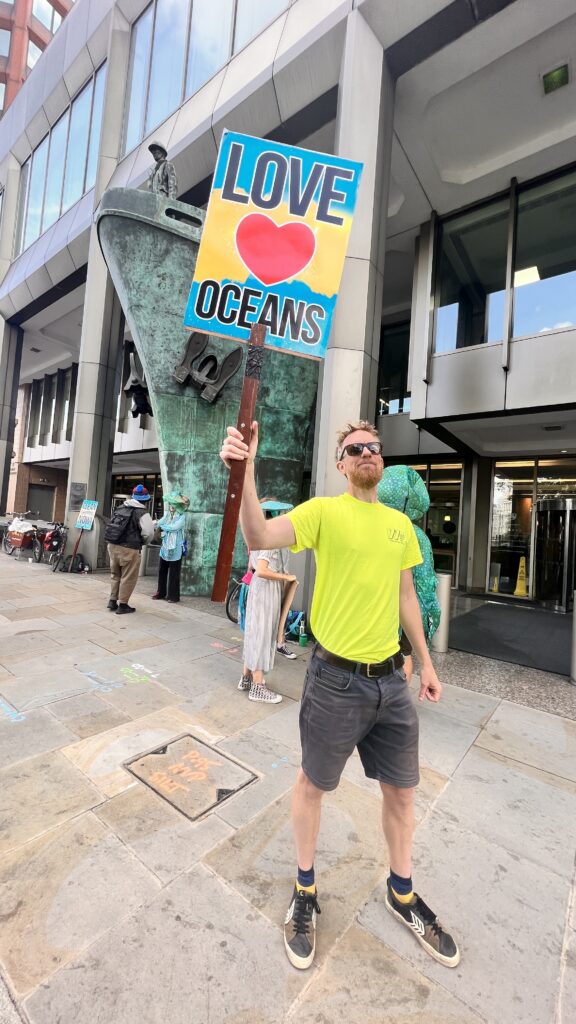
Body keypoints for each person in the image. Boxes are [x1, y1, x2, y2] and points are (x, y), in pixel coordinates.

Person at [220, 419, 460, 972]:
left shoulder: (399, 525)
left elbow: (404, 595)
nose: (368, 453)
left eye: (375, 447)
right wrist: (247, 469)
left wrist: (424, 662)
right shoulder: (323, 512)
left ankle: (402, 892)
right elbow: (258, 537)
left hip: (392, 682)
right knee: (312, 785)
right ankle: (304, 890)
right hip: (334, 681)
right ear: (341, 463)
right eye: (356, 448)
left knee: (402, 794)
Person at [377, 465, 441, 683]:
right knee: (403, 653)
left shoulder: (379, 528)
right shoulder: (418, 535)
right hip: (406, 608)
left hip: (383, 609)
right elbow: (426, 581)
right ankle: (399, 696)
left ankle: (393, 697)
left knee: (394, 655)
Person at [238, 500, 298, 704]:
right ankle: (258, 685)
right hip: (266, 588)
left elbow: (252, 568)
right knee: (263, 634)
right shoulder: (270, 539)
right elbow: (263, 570)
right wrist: (285, 578)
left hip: (257, 587)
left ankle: (246, 678)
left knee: (255, 632)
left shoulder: (256, 535)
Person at [105, 484, 155, 614]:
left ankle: (112, 600)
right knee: (128, 577)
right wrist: (142, 542)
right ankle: (123, 605)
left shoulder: (121, 507)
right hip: (129, 549)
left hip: (112, 545)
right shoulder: (142, 513)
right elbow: (149, 533)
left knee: (115, 574)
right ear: (145, 500)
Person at [152, 491, 190, 604]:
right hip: (165, 547)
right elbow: (159, 523)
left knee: (174, 573)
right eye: (170, 504)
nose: (171, 507)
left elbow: (174, 527)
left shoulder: (182, 517)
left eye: (174, 505)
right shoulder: (167, 515)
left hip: (176, 549)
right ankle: (161, 592)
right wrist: (157, 524)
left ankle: (173, 596)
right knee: (162, 571)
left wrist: (163, 526)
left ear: (178, 506)